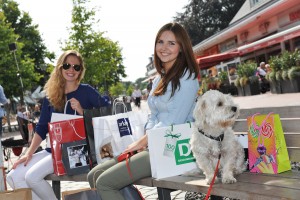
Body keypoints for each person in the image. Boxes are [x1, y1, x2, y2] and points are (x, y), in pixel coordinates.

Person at [87, 22, 199, 200]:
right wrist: (146, 140)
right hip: (154, 144)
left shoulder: (187, 78)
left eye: (171, 43)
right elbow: (153, 115)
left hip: (171, 147)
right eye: (160, 42)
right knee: (93, 175)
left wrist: (141, 143)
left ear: (182, 48)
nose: (164, 48)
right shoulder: (159, 79)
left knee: (104, 183)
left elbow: (173, 122)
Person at [7, 50, 109, 200]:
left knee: (32, 177)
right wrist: (29, 153)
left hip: (74, 151)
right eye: (67, 65)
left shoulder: (86, 91)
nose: (71, 70)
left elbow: (108, 113)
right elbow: (41, 128)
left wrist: (83, 111)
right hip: (52, 149)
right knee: (13, 176)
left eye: (76, 67)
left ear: (80, 71)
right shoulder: (52, 95)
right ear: (60, 67)